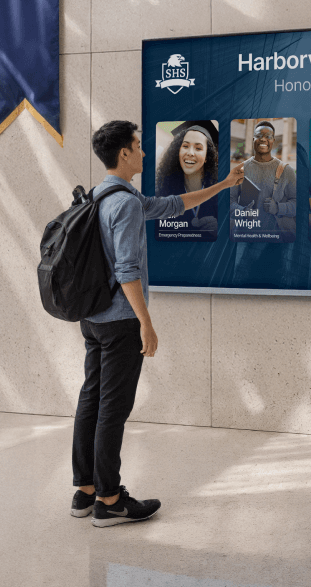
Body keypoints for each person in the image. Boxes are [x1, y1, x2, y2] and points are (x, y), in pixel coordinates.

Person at [71, 120, 243, 526]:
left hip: (92, 319)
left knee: (91, 400)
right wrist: (145, 323)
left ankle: (85, 490)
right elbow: (128, 270)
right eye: (138, 145)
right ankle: (110, 500)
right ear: (125, 153)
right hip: (119, 321)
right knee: (113, 408)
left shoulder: (102, 195)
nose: (145, 152)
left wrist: (222, 186)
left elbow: (172, 206)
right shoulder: (125, 203)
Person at [231, 121, 297, 237]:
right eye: (259, 136)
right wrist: (243, 211)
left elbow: (298, 204)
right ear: (253, 140)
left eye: (268, 137)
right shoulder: (240, 169)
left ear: (273, 141)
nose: (263, 139)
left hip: (276, 238)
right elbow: (229, 202)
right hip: (245, 236)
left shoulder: (287, 171)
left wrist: (278, 207)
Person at [155, 121, 220, 235]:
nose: (190, 152)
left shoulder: (219, 195)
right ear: (178, 151)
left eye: (198, 148)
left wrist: (219, 230)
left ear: (207, 156)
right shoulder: (162, 191)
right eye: (185, 146)